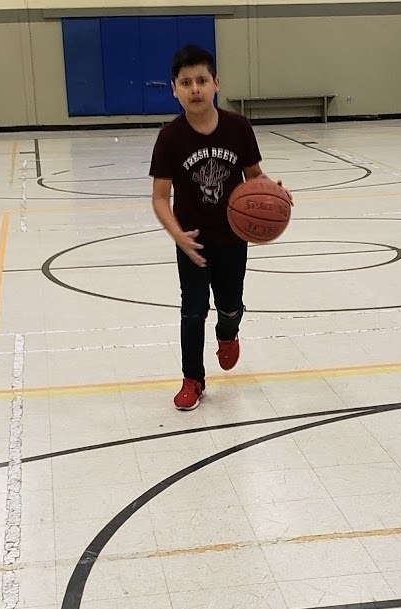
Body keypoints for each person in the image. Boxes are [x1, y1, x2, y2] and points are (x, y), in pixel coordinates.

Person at [149, 44, 291, 410]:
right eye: (185, 82)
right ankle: (192, 379)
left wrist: (274, 195)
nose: (194, 88)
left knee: (229, 306)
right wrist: (177, 235)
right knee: (192, 310)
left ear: (216, 83)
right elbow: (160, 197)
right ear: (174, 89)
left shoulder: (238, 129)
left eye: (201, 80)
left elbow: (254, 178)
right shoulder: (170, 137)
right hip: (192, 243)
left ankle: (228, 334)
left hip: (232, 238)